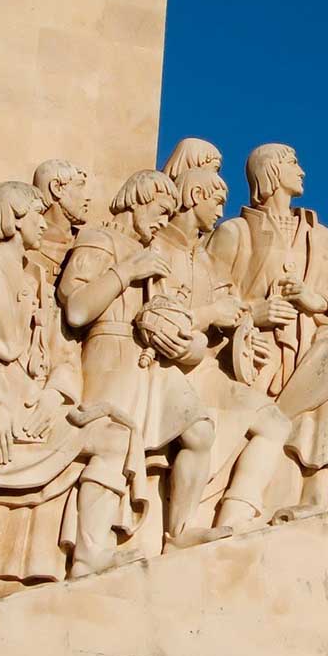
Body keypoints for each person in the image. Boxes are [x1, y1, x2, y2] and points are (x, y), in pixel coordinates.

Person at [0, 182, 137, 581]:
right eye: (37, 215)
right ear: (14, 219)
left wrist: (57, 393)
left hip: (33, 410)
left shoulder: (36, 280)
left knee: (112, 437)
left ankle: (89, 557)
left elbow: (64, 349)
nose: (45, 223)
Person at [207, 144, 328, 518]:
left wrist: (320, 301)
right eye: (293, 163)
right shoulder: (235, 232)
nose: (302, 171)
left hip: (315, 343)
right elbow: (208, 291)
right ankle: (299, 499)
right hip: (263, 356)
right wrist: (253, 313)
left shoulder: (322, 237)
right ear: (272, 172)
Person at [59, 170, 227, 550]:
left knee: (199, 432)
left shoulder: (146, 255)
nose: (164, 221)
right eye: (161, 211)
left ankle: (178, 533)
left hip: (146, 361)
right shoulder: (99, 241)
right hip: (109, 354)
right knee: (114, 446)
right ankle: (90, 550)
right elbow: (78, 311)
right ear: (138, 200)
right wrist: (126, 271)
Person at [144, 167, 290, 531]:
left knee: (274, 421)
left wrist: (247, 333)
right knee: (199, 433)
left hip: (205, 368)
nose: (221, 211)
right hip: (165, 369)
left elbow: (234, 312)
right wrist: (208, 315)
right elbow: (153, 319)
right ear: (194, 197)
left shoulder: (208, 262)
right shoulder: (156, 248)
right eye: (217, 201)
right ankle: (179, 531)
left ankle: (235, 519)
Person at [31, 159, 91, 281]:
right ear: (56, 188)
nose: (88, 197)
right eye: (80, 186)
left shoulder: (89, 243)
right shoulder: (26, 246)